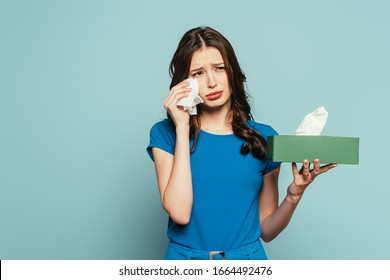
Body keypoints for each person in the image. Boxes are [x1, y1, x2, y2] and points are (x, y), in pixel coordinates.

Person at [146, 26, 336, 260]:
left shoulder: (265, 138)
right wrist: (182, 125)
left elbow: (267, 230)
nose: (212, 82)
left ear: (232, 71)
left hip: (247, 262)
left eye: (219, 68)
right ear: (185, 82)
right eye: (198, 73)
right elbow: (180, 213)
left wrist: (294, 195)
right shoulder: (165, 134)